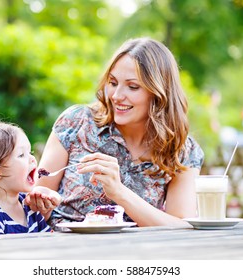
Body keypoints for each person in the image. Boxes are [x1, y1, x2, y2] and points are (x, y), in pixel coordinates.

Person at [26, 37, 204, 229]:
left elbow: (182, 227)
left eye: (133, 86)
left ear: (159, 93)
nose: (117, 96)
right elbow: (35, 207)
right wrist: (39, 203)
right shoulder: (76, 122)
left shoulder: (182, 150)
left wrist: (119, 192)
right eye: (112, 82)